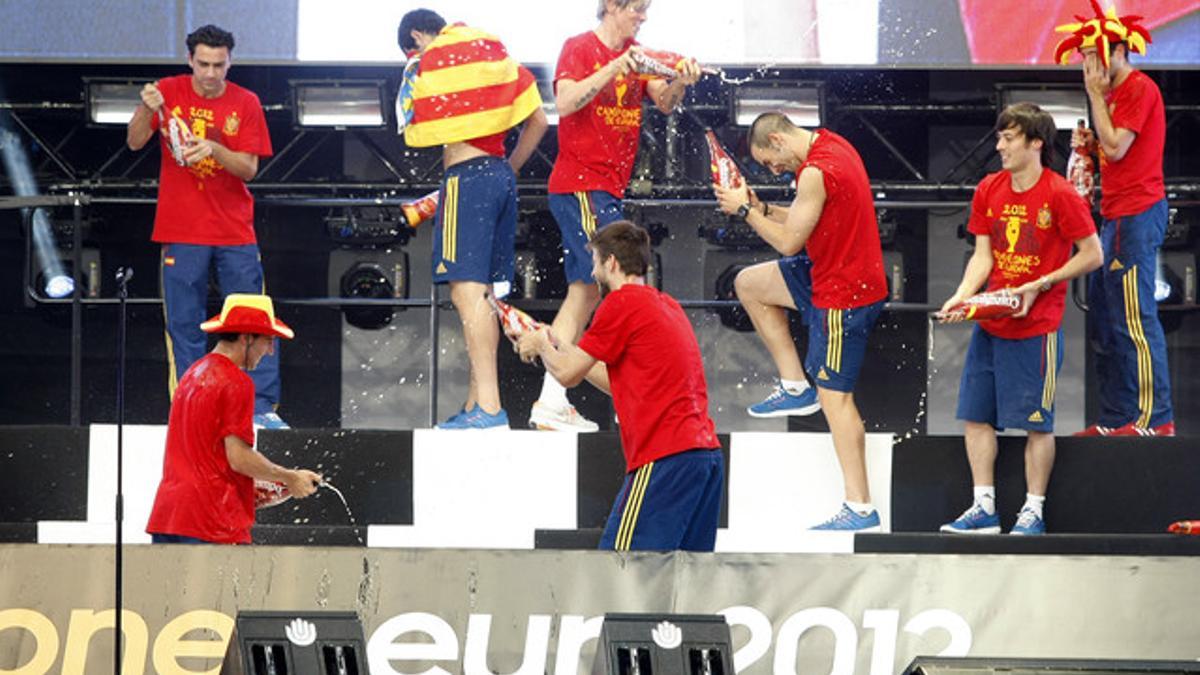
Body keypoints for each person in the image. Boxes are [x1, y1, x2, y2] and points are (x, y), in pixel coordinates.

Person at [529, 0, 702, 432]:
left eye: (645, 11)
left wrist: (679, 79)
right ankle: (630, 399)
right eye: (637, 10)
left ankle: (553, 400)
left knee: (585, 293)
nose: (642, 18)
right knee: (621, 287)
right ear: (611, 6)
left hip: (604, 187)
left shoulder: (639, 53)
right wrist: (616, 67)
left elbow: (664, 102)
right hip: (582, 184)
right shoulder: (579, 47)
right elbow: (565, 102)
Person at [712, 113, 886, 531]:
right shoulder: (831, 143)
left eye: (770, 162)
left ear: (777, 139)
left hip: (846, 292)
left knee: (836, 399)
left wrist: (744, 213)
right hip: (823, 272)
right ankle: (794, 385)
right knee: (749, 284)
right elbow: (807, 216)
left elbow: (790, 241)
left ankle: (860, 507)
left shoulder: (814, 171)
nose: (773, 170)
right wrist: (760, 205)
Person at [938, 103, 1103, 535]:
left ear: (1036, 143)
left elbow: (1093, 254)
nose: (1000, 146)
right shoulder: (989, 188)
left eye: (1008, 138)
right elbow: (982, 256)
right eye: (999, 137)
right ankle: (983, 507)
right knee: (975, 417)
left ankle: (1033, 511)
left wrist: (1042, 282)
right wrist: (961, 297)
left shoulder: (1060, 193)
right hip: (992, 324)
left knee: (1037, 424)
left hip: (1037, 327)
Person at [516, 221, 723, 551]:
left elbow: (568, 374)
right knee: (684, 580)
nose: (593, 270)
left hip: (664, 456)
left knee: (620, 571)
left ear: (610, 262)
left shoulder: (619, 303)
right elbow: (619, 381)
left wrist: (542, 344)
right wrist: (552, 340)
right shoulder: (664, 305)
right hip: (704, 458)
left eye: (595, 261)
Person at [126, 25, 285, 429]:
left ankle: (261, 410)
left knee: (252, 320)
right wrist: (147, 107)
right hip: (181, 228)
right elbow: (134, 141)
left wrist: (213, 147)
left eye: (219, 64)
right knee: (184, 324)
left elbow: (248, 168)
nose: (211, 73)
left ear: (230, 61)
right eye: (203, 64)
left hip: (235, 231)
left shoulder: (245, 101)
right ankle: (192, 409)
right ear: (190, 60)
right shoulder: (168, 90)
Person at [398, 9, 549, 429]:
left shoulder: (438, 58)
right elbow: (537, 119)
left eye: (412, 53)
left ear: (416, 37)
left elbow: (408, 115)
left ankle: (488, 407)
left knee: (467, 296)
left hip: (466, 179)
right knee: (482, 296)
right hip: (499, 175)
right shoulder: (491, 56)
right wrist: (511, 168)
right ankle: (474, 404)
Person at [1055, 6, 1174, 437]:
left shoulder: (1138, 89)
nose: (1088, 65)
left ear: (1120, 51)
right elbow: (1108, 151)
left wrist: (1093, 98)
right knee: (1108, 321)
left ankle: (1154, 418)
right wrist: (1087, 147)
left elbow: (1118, 147)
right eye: (1085, 56)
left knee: (1136, 319)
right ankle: (1116, 417)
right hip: (1116, 214)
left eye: (1094, 55)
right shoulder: (1113, 95)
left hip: (1137, 213)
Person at [146, 294, 322, 544]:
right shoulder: (236, 383)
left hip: (170, 514)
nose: (270, 350)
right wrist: (289, 477)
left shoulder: (192, 375)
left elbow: (207, 457)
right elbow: (239, 459)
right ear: (247, 337)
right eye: (268, 340)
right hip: (211, 521)